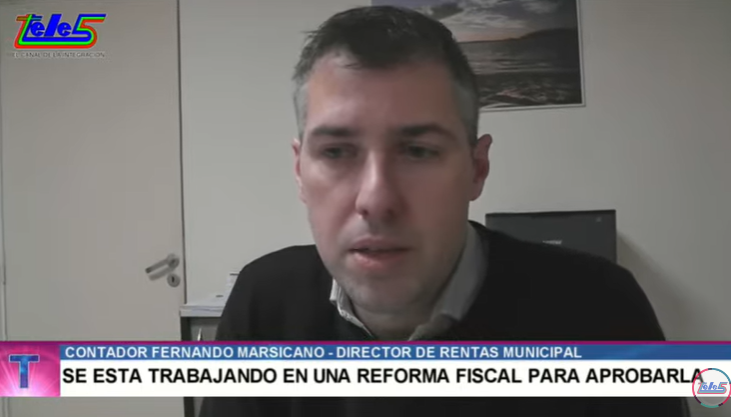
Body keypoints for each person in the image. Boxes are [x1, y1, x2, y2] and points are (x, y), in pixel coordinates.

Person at [200, 5, 686, 417]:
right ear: (300, 171)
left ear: (477, 169)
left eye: (418, 151)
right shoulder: (263, 305)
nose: (376, 199)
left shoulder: (601, 312)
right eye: (336, 152)